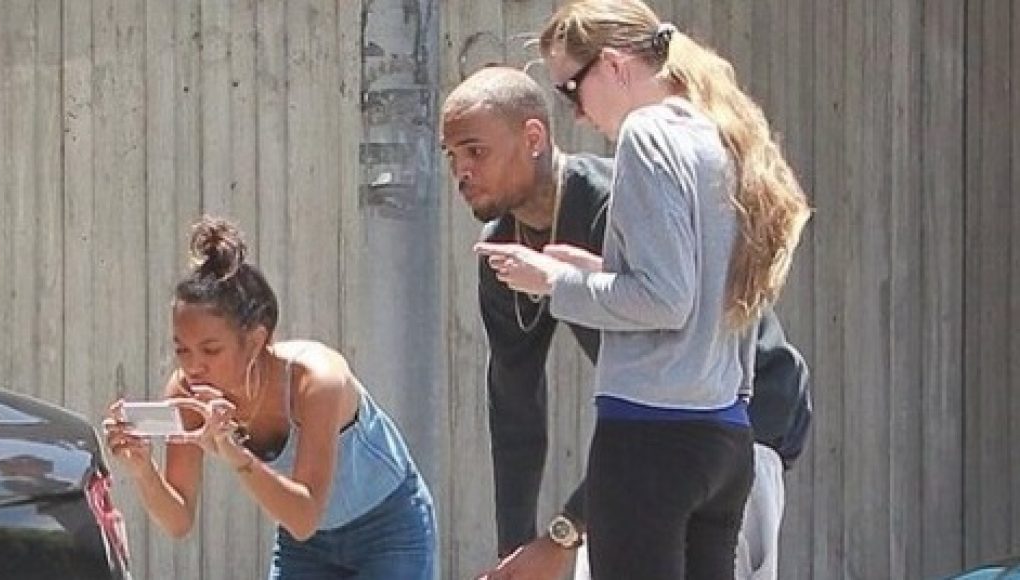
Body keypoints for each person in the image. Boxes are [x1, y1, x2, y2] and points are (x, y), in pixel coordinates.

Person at [474, 0, 811, 576]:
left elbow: (665, 299)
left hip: (650, 436)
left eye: (572, 89)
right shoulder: (719, 131)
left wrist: (554, 281)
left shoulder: (646, 133)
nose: (578, 114)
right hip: (725, 436)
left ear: (613, 65)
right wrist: (594, 272)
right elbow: (716, 294)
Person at [103, 216, 437, 580]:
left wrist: (233, 452)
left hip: (389, 528)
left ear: (256, 340)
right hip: (306, 544)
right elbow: (178, 520)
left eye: (211, 350)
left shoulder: (316, 381)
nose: (193, 367)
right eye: (182, 350)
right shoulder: (186, 393)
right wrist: (142, 469)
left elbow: (305, 515)